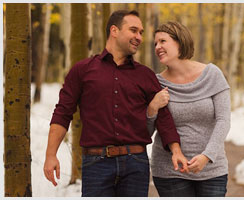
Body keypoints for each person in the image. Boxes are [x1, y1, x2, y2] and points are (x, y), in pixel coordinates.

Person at [43, 10, 188, 197]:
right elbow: (62, 113)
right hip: (96, 164)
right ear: (114, 30)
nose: (139, 37)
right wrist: (50, 154)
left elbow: (163, 115)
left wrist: (176, 150)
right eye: (134, 30)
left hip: (136, 164)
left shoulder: (145, 75)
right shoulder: (82, 70)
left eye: (141, 33)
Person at [147, 21, 231, 197]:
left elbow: (224, 120)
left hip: (212, 170)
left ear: (180, 41)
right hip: (170, 171)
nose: (157, 47)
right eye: (155, 43)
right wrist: (152, 108)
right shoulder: (156, 83)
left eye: (163, 41)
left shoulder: (212, 74)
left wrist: (206, 156)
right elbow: (147, 132)